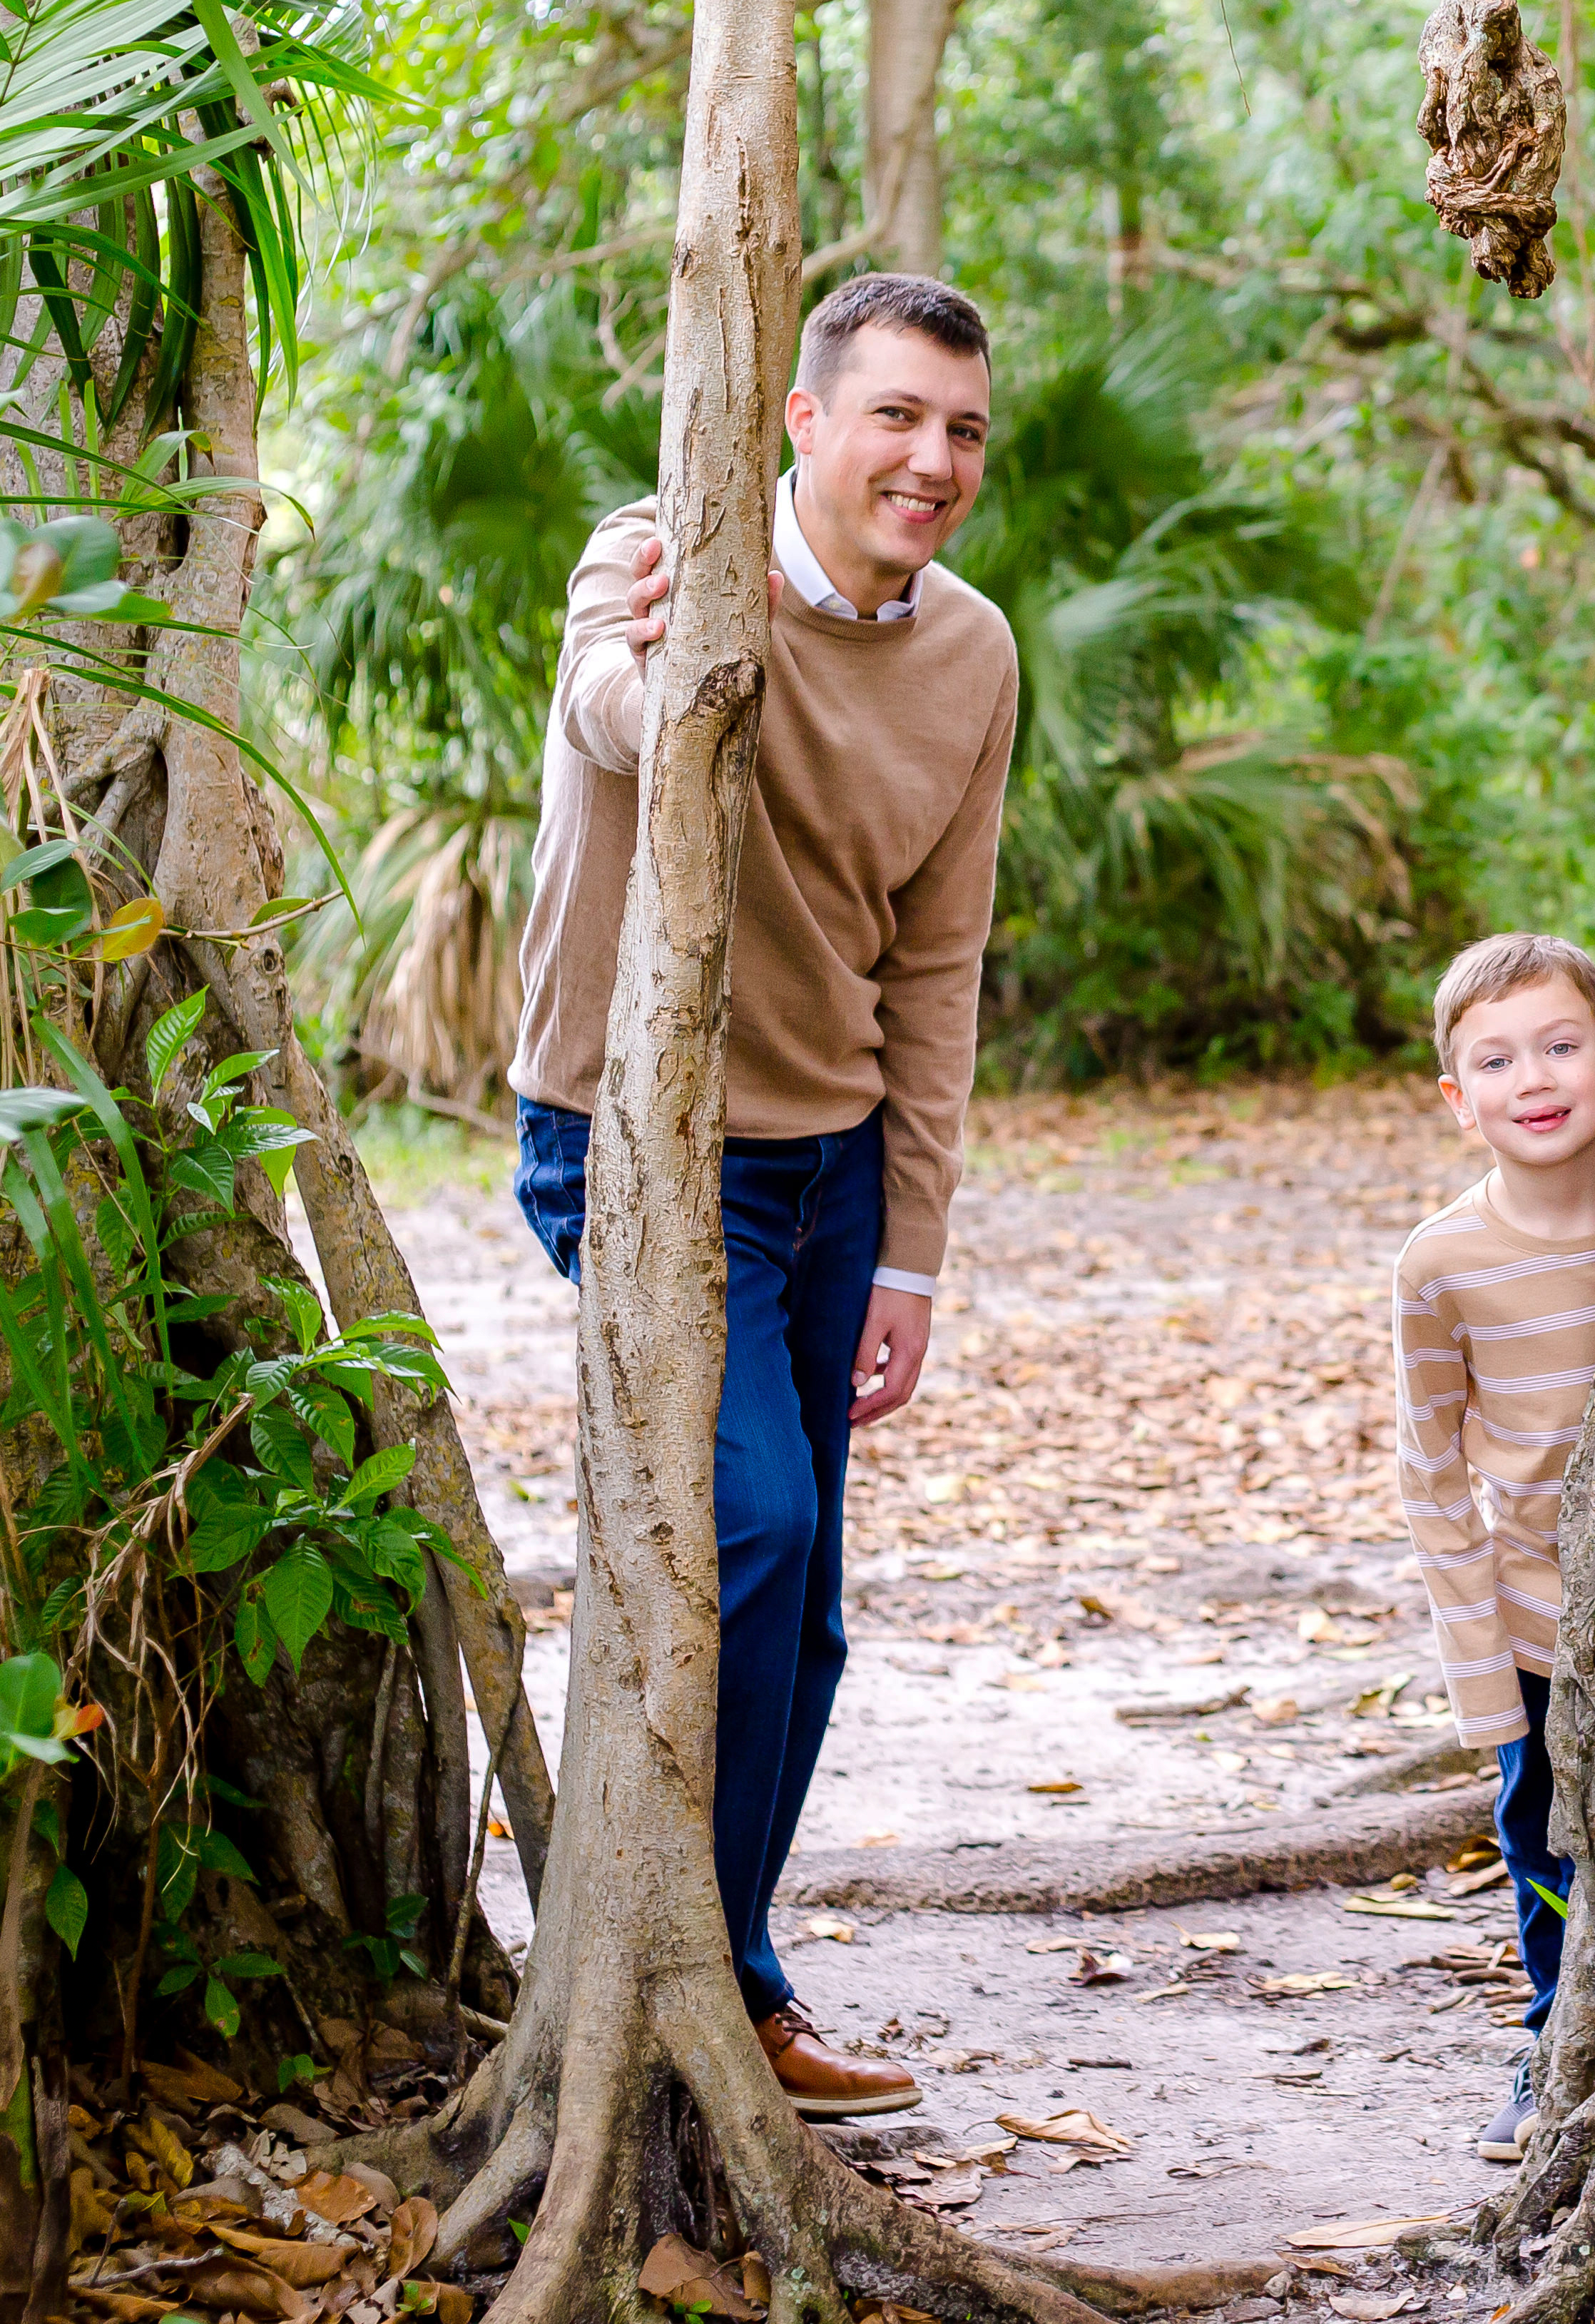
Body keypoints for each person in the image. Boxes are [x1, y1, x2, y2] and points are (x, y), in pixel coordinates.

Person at [509, 273, 1017, 2118]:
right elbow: (605, 708)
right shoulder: (662, 547)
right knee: (756, 1530)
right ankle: (674, 1974)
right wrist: (676, 669)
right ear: (801, 418)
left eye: (960, 428)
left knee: (806, 1613)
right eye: (892, 414)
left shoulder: (970, 656)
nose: (930, 458)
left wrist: (918, 1261)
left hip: (830, 1170)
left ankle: (729, 1980)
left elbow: (937, 970)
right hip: (636, 1135)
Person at [1390, 933, 1595, 2166]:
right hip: (1536, 1625)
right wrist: (1483, 1678)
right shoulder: (1442, 1264)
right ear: (1458, 1100)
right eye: (1496, 1057)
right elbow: (1432, 1480)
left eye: (1560, 1043)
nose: (1532, 1076)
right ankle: (1554, 2036)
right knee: (1543, 1842)